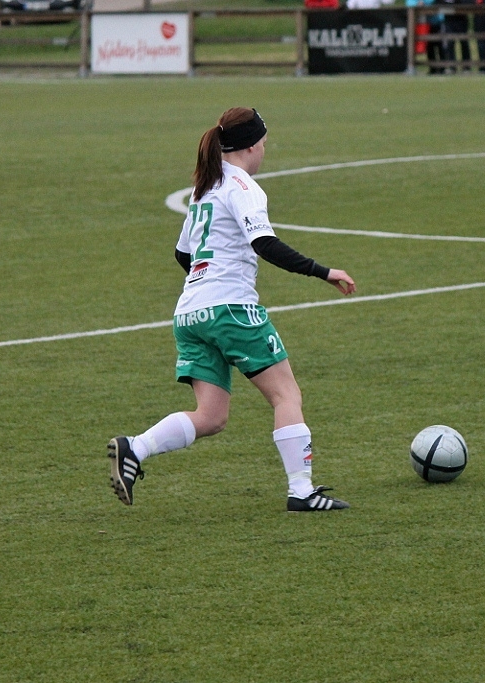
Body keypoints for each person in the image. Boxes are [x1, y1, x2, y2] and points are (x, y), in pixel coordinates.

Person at [107, 108, 357, 513]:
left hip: (190, 314)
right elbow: (265, 244)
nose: (265, 151)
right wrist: (323, 272)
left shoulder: (204, 188)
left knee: (211, 417)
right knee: (286, 395)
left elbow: (183, 254)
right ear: (251, 146)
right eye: (265, 143)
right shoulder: (243, 186)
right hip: (230, 311)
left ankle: (134, 448)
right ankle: (302, 491)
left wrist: (208, 284)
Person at [436, 0, 472, 73]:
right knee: (450, 43)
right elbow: (438, 4)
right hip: (449, 20)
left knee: (464, 43)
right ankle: (452, 67)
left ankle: (466, 67)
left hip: (462, 20)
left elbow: (467, 3)